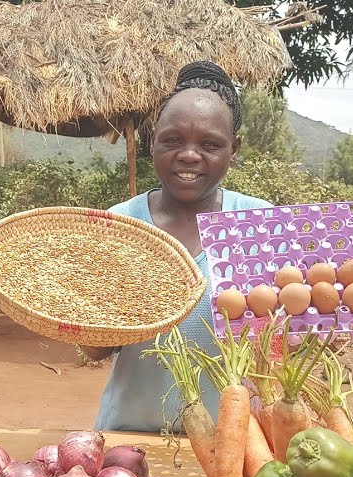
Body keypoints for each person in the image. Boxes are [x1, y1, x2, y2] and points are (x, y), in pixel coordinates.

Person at [82, 61, 273, 432]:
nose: (188, 155)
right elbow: (94, 349)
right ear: (151, 140)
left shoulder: (260, 224)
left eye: (210, 144)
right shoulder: (118, 225)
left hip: (234, 446)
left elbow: (284, 342)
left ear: (234, 149)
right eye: (172, 140)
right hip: (129, 443)